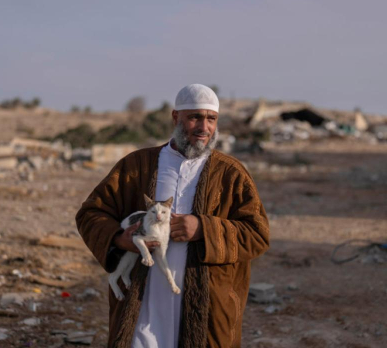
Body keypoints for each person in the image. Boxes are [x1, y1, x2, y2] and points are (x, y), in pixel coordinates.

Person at [76, 84, 269, 348]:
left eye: (211, 119)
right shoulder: (137, 166)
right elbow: (92, 212)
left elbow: (257, 233)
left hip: (206, 307)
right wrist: (120, 239)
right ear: (175, 117)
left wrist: (203, 229)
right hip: (143, 302)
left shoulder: (231, 174)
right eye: (194, 117)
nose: (204, 127)